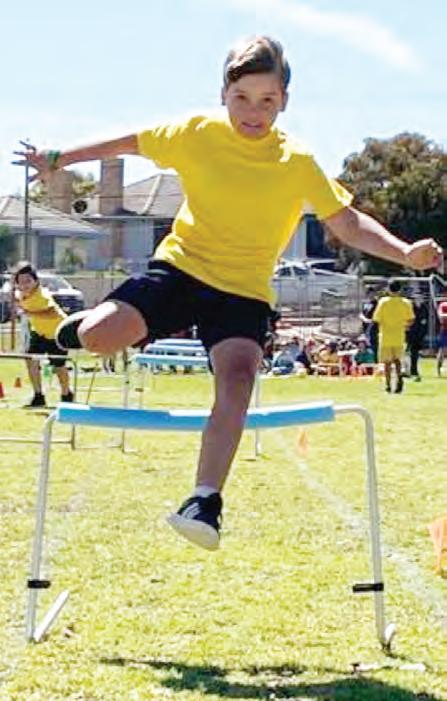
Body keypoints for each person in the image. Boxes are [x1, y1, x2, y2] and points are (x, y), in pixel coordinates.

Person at [16, 36, 442, 550]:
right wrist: (60, 158)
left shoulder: (297, 161)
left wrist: (404, 252)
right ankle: (81, 328)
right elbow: (130, 143)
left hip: (243, 290)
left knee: (238, 380)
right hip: (181, 270)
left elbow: (347, 222)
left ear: (284, 100)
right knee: (99, 338)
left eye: (267, 100)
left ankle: (204, 500)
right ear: (223, 94)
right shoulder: (197, 133)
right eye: (242, 97)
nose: (253, 111)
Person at [14, 262, 74, 407]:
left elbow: (51, 313)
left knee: (58, 366)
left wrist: (29, 313)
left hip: (58, 333)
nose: (25, 285)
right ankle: (38, 396)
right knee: (31, 360)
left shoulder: (42, 295)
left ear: (36, 281)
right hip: (39, 332)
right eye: (21, 282)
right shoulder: (21, 294)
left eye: (28, 281)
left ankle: (66, 395)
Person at [373, 280, 415, 393]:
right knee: (398, 360)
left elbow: (376, 318)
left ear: (388, 289)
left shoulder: (383, 302)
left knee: (387, 362)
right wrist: (404, 326)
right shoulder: (406, 302)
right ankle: (399, 379)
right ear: (400, 290)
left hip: (385, 335)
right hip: (399, 335)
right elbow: (411, 319)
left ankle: (388, 385)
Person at [406, 295, 428, 381]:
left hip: (419, 335)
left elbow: (425, 321)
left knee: (415, 354)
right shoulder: (410, 308)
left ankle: (413, 371)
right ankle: (408, 371)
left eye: (420, 298)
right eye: (416, 298)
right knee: (408, 353)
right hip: (410, 334)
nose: (418, 300)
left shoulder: (424, 308)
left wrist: (422, 334)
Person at [359, 287, 379, 362]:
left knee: (373, 345)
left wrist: (371, 321)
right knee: (366, 344)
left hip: (373, 328)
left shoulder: (377, 303)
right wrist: (364, 319)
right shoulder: (365, 303)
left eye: (373, 293)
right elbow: (361, 313)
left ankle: (375, 361)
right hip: (365, 327)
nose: (371, 295)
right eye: (369, 293)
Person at [436, 300, 447, 377]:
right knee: (443, 350)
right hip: (445, 330)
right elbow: (441, 317)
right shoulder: (443, 305)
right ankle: (439, 369)